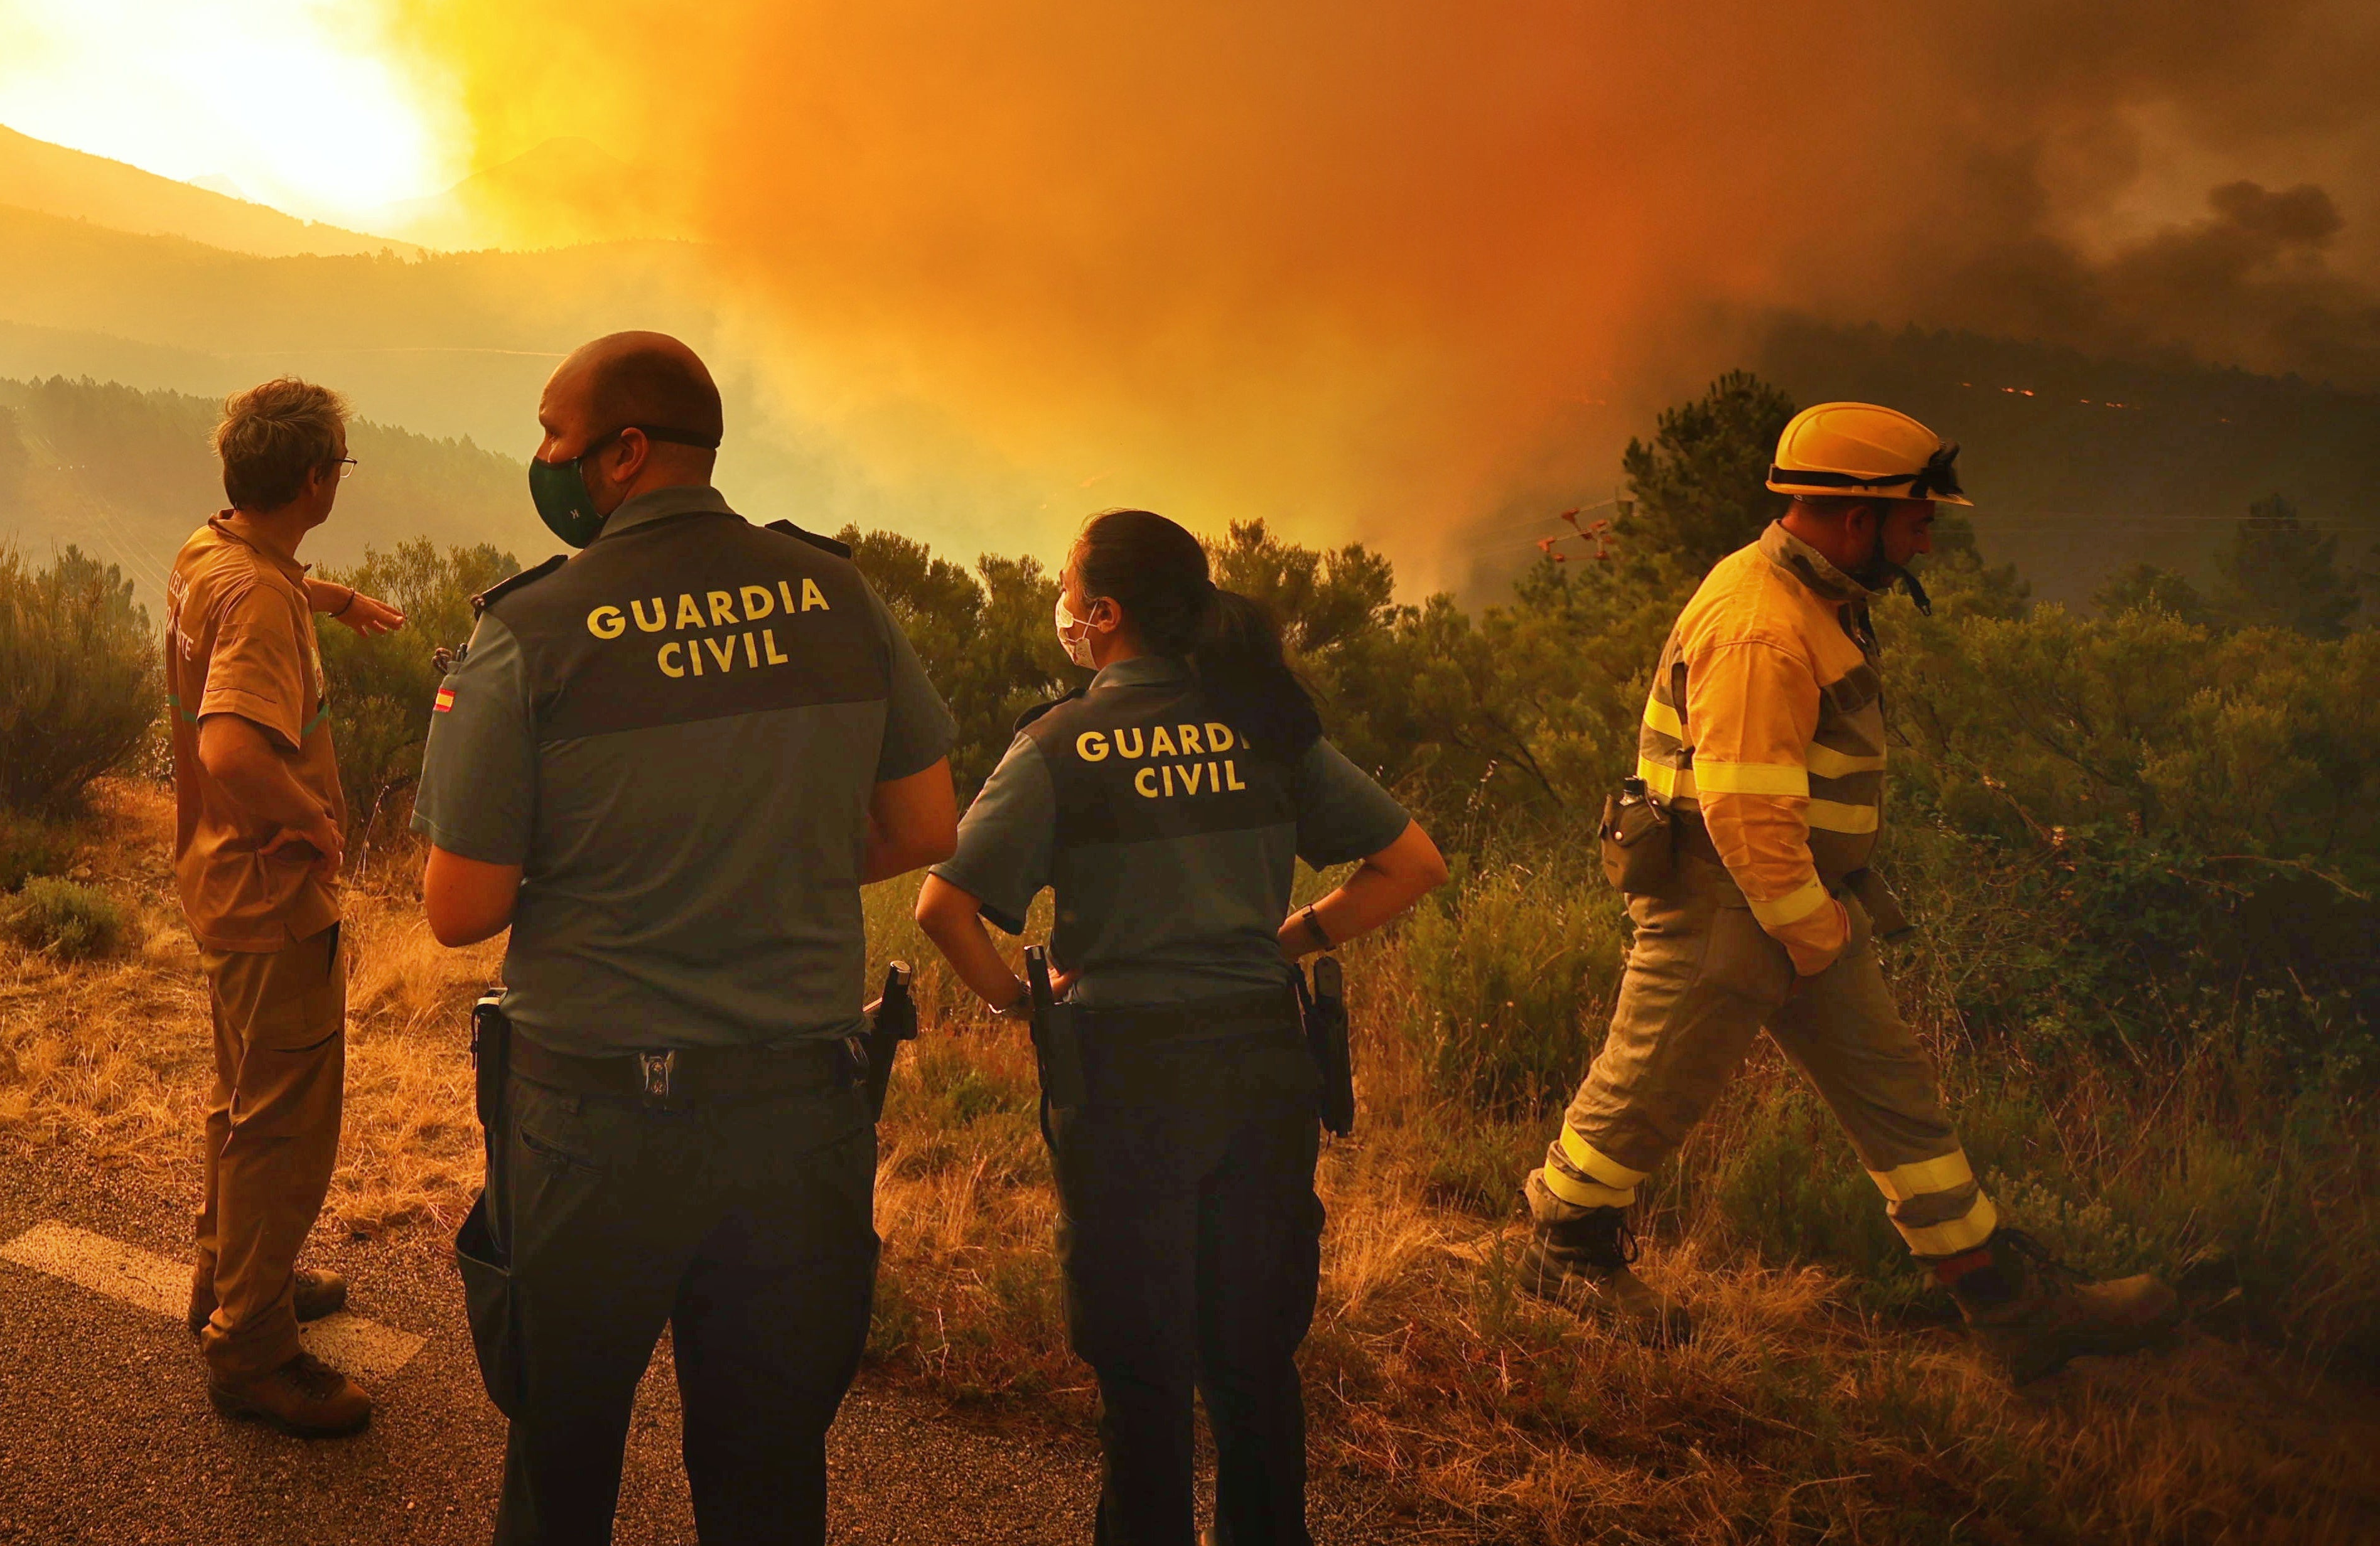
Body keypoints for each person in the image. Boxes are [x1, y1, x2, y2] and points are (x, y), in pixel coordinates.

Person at [416, 330, 961, 1546]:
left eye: (552, 435)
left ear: (620, 452)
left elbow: (459, 908)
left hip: (589, 1130)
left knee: (558, 1474)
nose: (541, 458)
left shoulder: (530, 629)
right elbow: (924, 821)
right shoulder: (833, 594)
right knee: (766, 1484)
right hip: (797, 1119)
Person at [1521, 403, 2178, 1382]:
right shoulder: (1762, 626)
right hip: (1728, 897)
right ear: (1854, 516)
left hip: (1793, 902)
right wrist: (1814, 935)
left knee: (1899, 1103)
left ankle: (2003, 1303)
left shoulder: (1809, 595)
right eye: (1917, 521)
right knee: (1650, 1084)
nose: (1926, 539)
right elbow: (1746, 814)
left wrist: (1819, 927)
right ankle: (1562, 1250)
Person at [916, 509, 1448, 1545]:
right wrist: (1288, 939)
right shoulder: (1263, 723)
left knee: (1142, 1360)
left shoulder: (1059, 742)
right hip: (1260, 1060)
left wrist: (1017, 999)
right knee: (1253, 1354)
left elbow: (944, 908)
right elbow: (1413, 863)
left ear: (1103, 615)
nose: (1062, 608)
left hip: (1122, 1077)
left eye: (1070, 590)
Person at [166, 377, 407, 1437]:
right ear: (315, 479)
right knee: (286, 1123)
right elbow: (227, 745)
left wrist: (338, 599)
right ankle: (252, 1344)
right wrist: (310, 816)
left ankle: (226, 1273)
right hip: (272, 894)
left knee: (242, 1094)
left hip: (217, 879)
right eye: (340, 465)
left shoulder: (214, 554)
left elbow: (256, 588)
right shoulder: (257, 594)